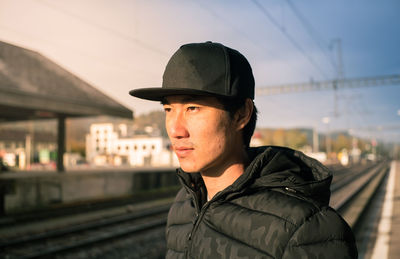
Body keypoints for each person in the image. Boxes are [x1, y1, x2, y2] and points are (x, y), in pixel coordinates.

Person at [129, 41, 358, 258]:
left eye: (192, 108)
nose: (176, 130)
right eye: (168, 109)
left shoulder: (306, 229)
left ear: (241, 114)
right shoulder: (183, 205)